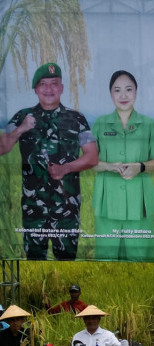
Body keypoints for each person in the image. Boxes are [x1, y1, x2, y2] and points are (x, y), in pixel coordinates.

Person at [0, 62, 98, 260]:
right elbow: (2, 148)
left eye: (54, 83)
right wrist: (21, 129)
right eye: (43, 84)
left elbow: (92, 156)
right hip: (33, 206)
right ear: (36, 89)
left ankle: (67, 290)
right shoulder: (22, 116)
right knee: (34, 259)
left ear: (61, 87)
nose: (49, 89)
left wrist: (66, 168)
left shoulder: (76, 118)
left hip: (67, 206)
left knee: (67, 259)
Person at [92, 70, 154, 261]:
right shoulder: (100, 124)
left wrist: (139, 167)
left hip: (138, 204)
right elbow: (89, 162)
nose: (123, 95)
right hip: (108, 203)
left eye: (128, 89)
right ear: (111, 94)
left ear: (136, 93)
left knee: (141, 259)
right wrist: (109, 166)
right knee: (106, 260)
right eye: (117, 90)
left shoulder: (148, 124)